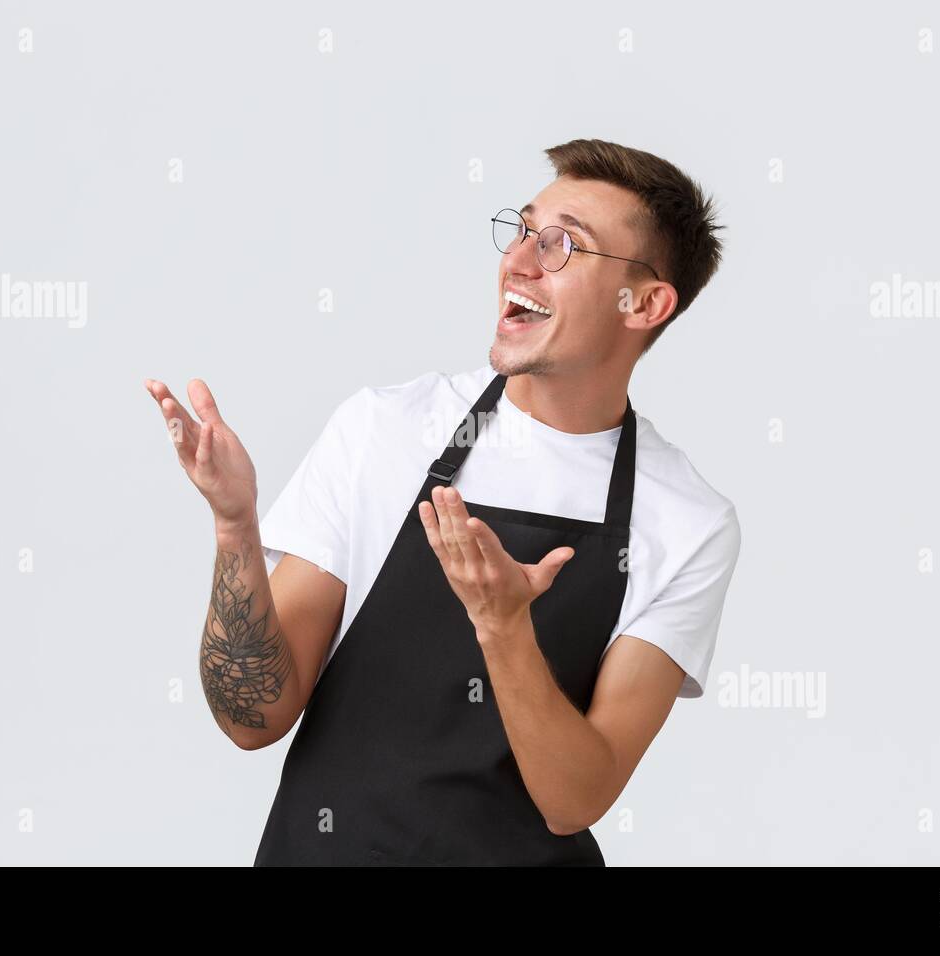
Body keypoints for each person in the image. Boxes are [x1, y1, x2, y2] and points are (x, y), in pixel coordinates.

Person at [145, 138, 741, 866]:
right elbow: (253, 718)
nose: (519, 262)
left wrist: (505, 627)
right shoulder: (385, 430)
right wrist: (236, 529)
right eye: (522, 231)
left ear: (644, 303)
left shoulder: (685, 522)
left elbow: (575, 798)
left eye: (563, 246)